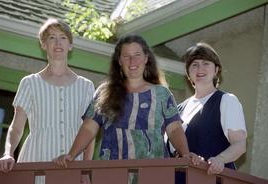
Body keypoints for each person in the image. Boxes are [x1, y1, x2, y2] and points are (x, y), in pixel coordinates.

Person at [54, 34, 193, 182]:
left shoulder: (162, 94)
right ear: (119, 61)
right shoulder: (104, 92)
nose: (132, 61)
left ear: (146, 58)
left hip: (154, 174)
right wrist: (71, 155)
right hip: (112, 174)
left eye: (137, 55)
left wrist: (185, 154)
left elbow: (174, 128)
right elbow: (89, 128)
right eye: (126, 56)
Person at [0, 18, 95, 183]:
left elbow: (90, 132)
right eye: (51, 37)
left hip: (72, 165)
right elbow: (16, 127)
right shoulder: (29, 83)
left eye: (63, 37)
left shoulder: (86, 86)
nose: (58, 42)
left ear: (70, 45)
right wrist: (8, 152)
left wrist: (85, 169)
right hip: (36, 160)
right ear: (44, 45)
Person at [168, 42, 247, 181]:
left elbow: (240, 144)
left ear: (216, 70)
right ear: (188, 74)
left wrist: (220, 159)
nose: (200, 68)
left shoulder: (226, 101)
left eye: (206, 63)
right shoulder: (178, 109)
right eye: (194, 64)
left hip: (212, 179)